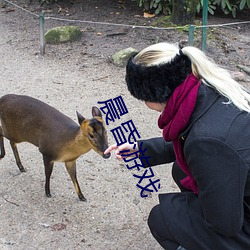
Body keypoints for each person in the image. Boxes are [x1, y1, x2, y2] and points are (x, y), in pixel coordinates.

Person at [104, 42, 250, 250]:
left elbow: (225, 224)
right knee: (181, 169)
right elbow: (189, 139)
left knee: (162, 218)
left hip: (241, 222)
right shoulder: (209, 88)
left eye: (143, 98)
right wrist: (141, 149)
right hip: (241, 186)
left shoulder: (207, 142)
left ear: (155, 93)